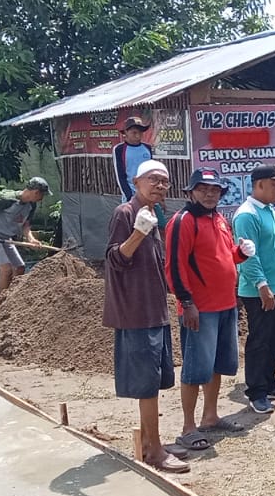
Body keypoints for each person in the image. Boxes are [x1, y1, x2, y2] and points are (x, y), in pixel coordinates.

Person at [103, 160, 189, 473]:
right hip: (136, 312)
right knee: (147, 385)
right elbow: (115, 259)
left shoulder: (153, 214)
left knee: (154, 380)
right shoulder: (126, 213)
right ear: (136, 181)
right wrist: (138, 233)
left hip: (155, 310)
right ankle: (154, 451)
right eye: (153, 179)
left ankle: (151, 441)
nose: (160, 186)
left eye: (165, 182)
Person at [165, 167, 255, 453]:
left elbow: (224, 256)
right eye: (203, 189)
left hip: (225, 303)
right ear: (191, 192)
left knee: (216, 364)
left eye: (214, 189)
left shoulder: (219, 219)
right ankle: (188, 427)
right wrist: (186, 303)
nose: (209, 194)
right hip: (200, 308)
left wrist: (240, 254)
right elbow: (174, 266)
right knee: (195, 369)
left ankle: (210, 416)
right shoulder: (183, 221)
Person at [234, 164, 275, 414]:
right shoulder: (246, 215)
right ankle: (257, 392)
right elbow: (248, 256)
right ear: (259, 184)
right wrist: (262, 285)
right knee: (260, 340)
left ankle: (270, 383)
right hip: (259, 291)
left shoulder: (270, 210)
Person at [0, 177, 50, 292]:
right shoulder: (7, 199)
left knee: (19, 267)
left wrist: (31, 239)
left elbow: (26, 224)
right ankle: (2, 300)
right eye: (42, 195)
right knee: (6, 269)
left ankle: (12, 296)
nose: (42, 198)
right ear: (36, 192)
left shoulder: (31, 205)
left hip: (6, 237)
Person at [113, 117, 153, 202]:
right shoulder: (119, 149)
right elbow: (120, 175)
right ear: (126, 132)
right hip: (131, 196)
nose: (138, 135)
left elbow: (151, 171)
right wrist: (129, 196)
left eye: (140, 132)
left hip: (148, 194)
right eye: (134, 132)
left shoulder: (147, 148)